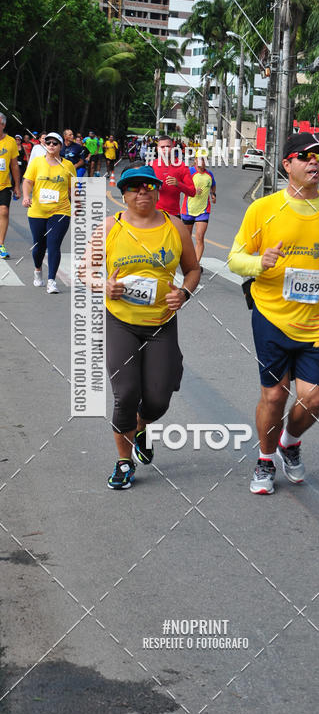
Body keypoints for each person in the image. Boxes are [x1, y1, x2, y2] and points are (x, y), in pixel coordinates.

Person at [228, 132, 319, 495]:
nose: (314, 162)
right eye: (305, 156)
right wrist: (259, 262)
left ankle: (290, 441)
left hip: (316, 320)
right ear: (288, 165)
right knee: (274, 396)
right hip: (271, 316)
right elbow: (235, 259)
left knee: (314, 398)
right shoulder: (263, 209)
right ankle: (265, 460)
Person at [80, 165, 200, 490]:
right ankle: (124, 461)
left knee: (158, 398)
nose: (141, 191)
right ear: (123, 194)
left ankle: (143, 424)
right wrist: (102, 284)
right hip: (121, 322)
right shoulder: (109, 228)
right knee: (126, 393)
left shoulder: (175, 227)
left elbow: (192, 269)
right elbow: (84, 271)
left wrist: (184, 292)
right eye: (133, 187)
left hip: (161, 323)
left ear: (158, 191)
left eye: (148, 185)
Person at [22, 131, 76, 293]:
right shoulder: (37, 162)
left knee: (54, 244)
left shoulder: (68, 165)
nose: (51, 145)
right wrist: (26, 197)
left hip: (61, 211)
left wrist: (78, 206)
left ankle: (52, 280)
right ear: (44, 145)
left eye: (55, 143)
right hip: (37, 210)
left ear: (60, 146)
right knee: (39, 246)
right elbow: (28, 182)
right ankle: (38, 271)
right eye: (48, 143)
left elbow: (73, 189)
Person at [181, 151, 216, 269]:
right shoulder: (189, 172)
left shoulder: (209, 174)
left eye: (206, 159)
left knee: (199, 237)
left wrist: (213, 194)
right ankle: (186, 259)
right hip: (188, 209)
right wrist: (193, 191)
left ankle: (195, 265)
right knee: (187, 238)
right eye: (201, 158)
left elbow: (213, 185)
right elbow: (181, 186)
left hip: (203, 210)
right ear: (195, 160)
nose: (203, 161)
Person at [150, 135, 195, 219]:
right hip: (153, 214)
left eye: (168, 146)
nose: (165, 149)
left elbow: (192, 192)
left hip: (173, 215)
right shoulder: (151, 166)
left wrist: (178, 184)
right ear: (157, 149)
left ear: (173, 147)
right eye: (162, 147)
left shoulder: (182, 166)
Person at [0, 113, 21, 259]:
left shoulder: (11, 141)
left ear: (3, 125)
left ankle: (1, 244)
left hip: (4, 185)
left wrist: (17, 186)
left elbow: (14, 165)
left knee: (4, 211)